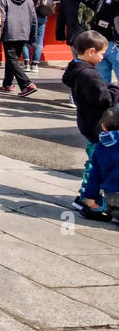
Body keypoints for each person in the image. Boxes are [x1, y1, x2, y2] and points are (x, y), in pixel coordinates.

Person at [64, 30, 119, 217]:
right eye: (102, 54)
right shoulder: (89, 75)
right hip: (96, 124)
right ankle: (86, 197)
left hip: (87, 121)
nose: (103, 57)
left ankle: (90, 194)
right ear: (90, 52)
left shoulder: (76, 68)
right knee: (95, 162)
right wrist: (114, 88)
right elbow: (104, 99)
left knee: (94, 158)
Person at [0, 0, 39, 97]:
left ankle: (27, 84)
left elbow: (2, 19)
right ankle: (7, 84)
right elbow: (34, 18)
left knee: (12, 60)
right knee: (13, 59)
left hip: (9, 33)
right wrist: (33, 36)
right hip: (24, 32)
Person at [78, 106, 119, 220]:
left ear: (103, 126)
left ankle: (106, 209)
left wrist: (90, 197)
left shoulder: (100, 148)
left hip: (110, 195)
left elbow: (94, 175)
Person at [20, 0, 53, 70]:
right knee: (39, 39)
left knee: (25, 39)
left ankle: (26, 63)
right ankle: (35, 64)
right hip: (40, 14)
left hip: (24, 14)